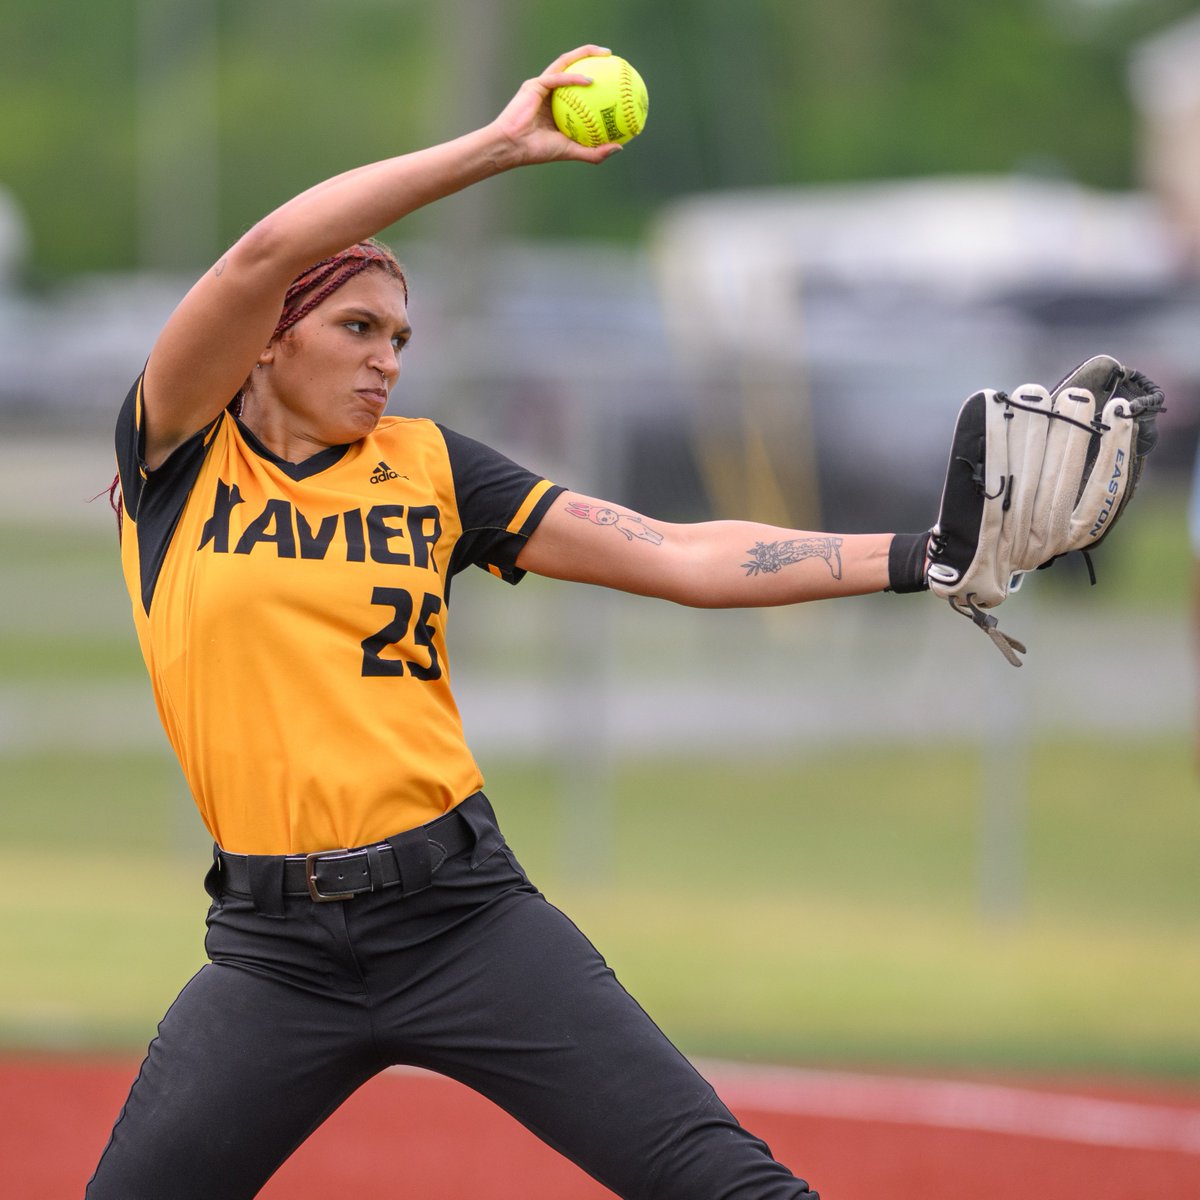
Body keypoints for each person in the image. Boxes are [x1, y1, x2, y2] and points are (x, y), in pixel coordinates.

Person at [92, 46, 929, 1200]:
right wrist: (497, 147)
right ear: (270, 338)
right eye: (359, 328)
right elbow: (267, 249)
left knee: (728, 1188)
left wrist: (917, 558)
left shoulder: (430, 469)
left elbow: (681, 554)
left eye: (400, 338)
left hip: (463, 921)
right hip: (273, 952)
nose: (387, 358)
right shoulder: (180, 454)